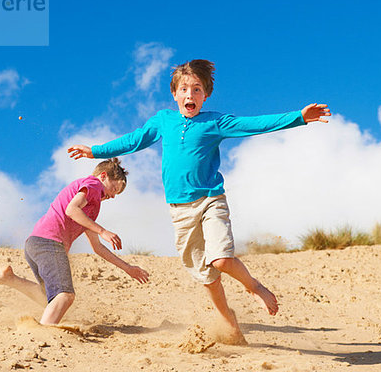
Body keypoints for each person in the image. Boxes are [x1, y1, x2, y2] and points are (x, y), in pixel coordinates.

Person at [67, 59, 330, 341]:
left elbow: (253, 125)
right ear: (174, 93)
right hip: (180, 211)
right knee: (206, 275)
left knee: (220, 260)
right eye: (184, 89)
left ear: (205, 95)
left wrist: (299, 117)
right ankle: (228, 321)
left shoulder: (214, 122)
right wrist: (95, 151)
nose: (190, 95)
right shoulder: (163, 122)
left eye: (197, 89)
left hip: (210, 200)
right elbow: (134, 140)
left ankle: (255, 287)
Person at [0, 158, 149, 325]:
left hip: (35, 244)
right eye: (114, 188)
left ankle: (9, 279)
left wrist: (128, 269)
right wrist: (103, 231)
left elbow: (97, 247)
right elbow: (71, 209)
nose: (112, 196)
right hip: (49, 243)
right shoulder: (93, 184)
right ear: (103, 176)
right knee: (65, 295)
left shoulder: (91, 207)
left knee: (50, 298)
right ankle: (41, 334)